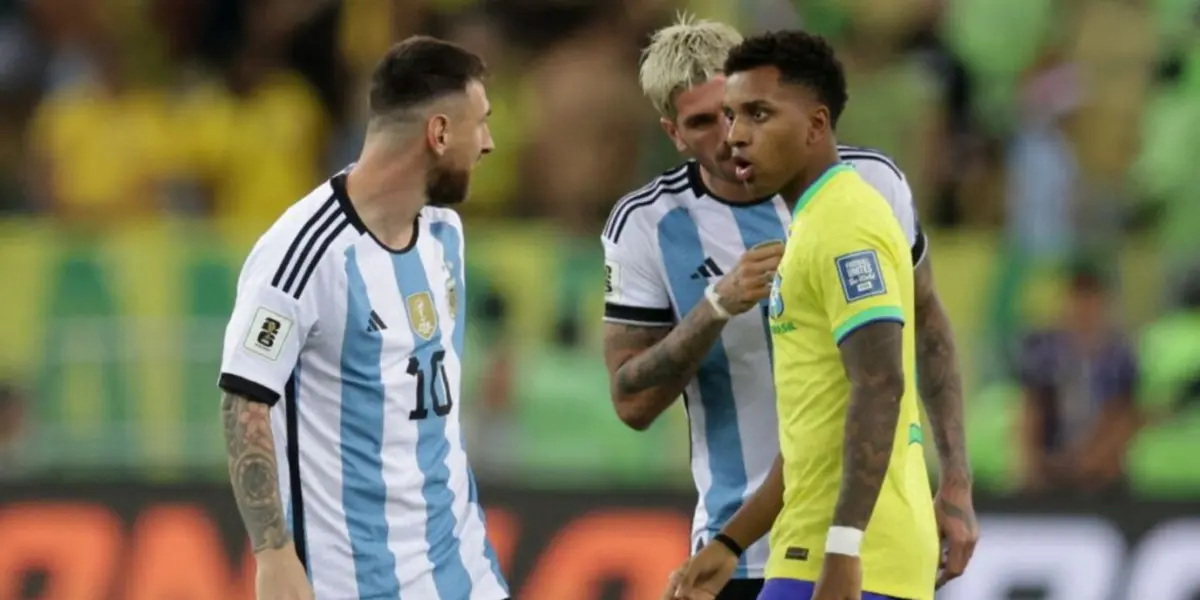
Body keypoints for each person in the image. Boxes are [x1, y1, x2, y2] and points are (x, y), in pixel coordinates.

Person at [600, 17, 975, 600]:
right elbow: (633, 401)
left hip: (855, 540)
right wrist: (714, 307)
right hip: (755, 536)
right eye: (707, 122)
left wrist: (952, 482)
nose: (730, 137)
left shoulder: (860, 195)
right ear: (673, 133)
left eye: (747, 113)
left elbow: (902, 355)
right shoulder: (648, 225)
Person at [217, 36, 507, 600]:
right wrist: (273, 555)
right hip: (354, 582)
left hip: (464, 571)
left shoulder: (445, 235)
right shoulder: (302, 253)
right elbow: (243, 400)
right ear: (439, 132)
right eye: (481, 124)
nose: (489, 143)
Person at [1016, 260, 1139, 496]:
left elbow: (1122, 416)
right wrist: (1032, 462)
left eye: (1090, 300)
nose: (1083, 309)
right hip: (1051, 467)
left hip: (1101, 474)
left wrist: (1090, 461)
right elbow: (1031, 409)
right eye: (1077, 299)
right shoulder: (1044, 351)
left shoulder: (1119, 356)